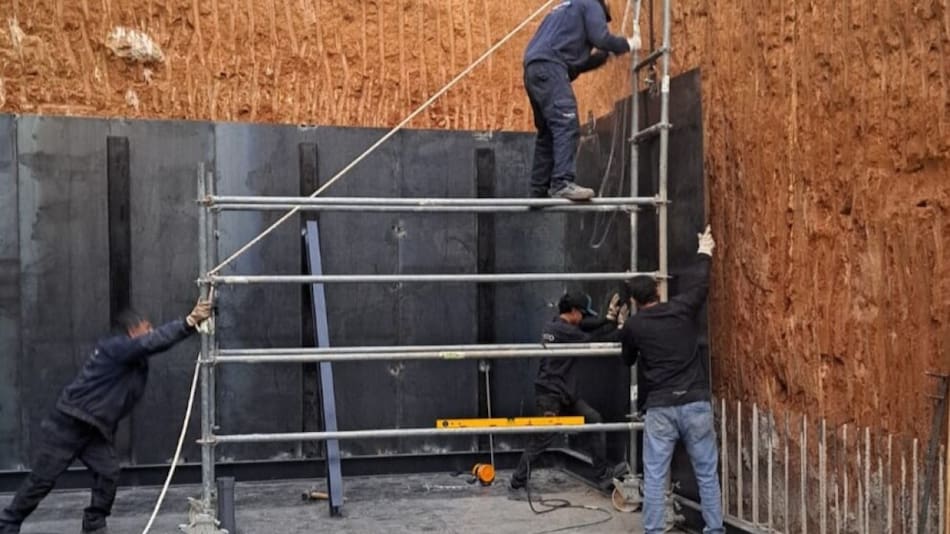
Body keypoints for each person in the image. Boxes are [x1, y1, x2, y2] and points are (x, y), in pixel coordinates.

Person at [0, 297, 213, 534]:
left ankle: (93, 524)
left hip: (94, 429)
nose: (151, 332)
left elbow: (149, 346)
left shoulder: (132, 358)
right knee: (42, 480)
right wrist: (188, 322)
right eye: (147, 328)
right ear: (134, 329)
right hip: (71, 422)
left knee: (108, 473)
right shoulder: (117, 346)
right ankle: (7, 524)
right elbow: (152, 343)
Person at [619, 225, 723, 534]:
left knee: (654, 474)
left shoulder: (635, 326)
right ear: (657, 292)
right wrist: (705, 251)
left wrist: (625, 326)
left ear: (635, 301)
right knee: (706, 473)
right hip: (696, 402)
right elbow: (700, 285)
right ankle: (715, 530)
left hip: (661, 407)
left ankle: (654, 530)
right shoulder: (681, 308)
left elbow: (626, 360)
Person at [509, 291, 628, 492]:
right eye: (582, 313)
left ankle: (601, 474)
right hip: (551, 396)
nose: (583, 318)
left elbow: (588, 326)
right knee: (542, 439)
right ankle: (518, 479)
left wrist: (607, 318)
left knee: (593, 420)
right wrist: (622, 327)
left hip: (564, 392)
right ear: (573, 312)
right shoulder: (567, 332)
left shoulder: (554, 324)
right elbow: (596, 339)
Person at [523, 0, 639, 200]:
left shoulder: (565, 10)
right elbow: (601, 38)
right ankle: (562, 183)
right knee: (566, 123)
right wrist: (627, 44)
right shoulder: (591, 4)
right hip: (550, 68)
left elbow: (574, 65)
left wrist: (603, 57)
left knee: (548, 132)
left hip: (534, 69)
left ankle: (538, 190)